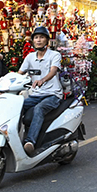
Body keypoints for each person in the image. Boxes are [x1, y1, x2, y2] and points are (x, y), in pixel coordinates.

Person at [18, 26, 62, 155]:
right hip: (35, 94)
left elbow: (53, 71)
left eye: (41, 37)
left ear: (46, 41)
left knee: (39, 109)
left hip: (52, 94)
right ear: (33, 41)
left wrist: (42, 80)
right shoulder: (30, 57)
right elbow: (20, 73)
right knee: (17, 106)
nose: (38, 40)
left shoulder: (54, 55)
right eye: (36, 37)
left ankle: (30, 142)